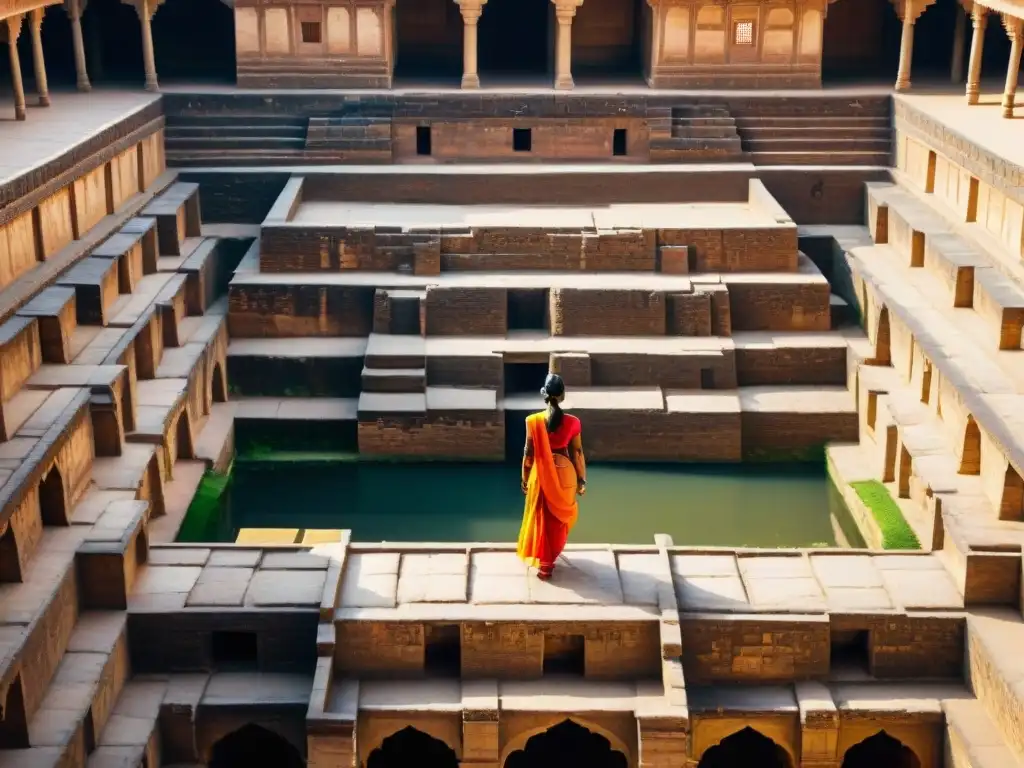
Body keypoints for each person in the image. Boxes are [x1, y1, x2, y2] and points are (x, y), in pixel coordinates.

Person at [517, 373, 587, 580]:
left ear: (544, 395)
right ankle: (550, 559)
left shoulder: (533, 421)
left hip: (541, 474)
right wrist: (582, 479)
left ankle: (545, 564)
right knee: (558, 518)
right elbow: (578, 453)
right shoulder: (573, 422)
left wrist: (524, 478)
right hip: (566, 473)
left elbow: (528, 453)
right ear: (563, 396)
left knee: (542, 517)